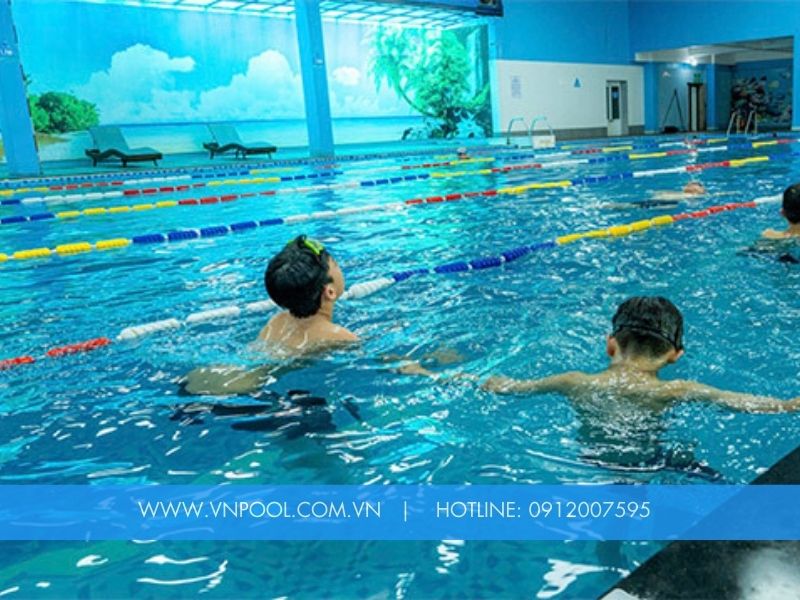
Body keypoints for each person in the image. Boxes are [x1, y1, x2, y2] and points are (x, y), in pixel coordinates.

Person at [482, 296, 800, 414]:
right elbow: (741, 402)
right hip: (649, 462)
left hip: (591, 461)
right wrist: (790, 404)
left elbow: (505, 386)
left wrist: (452, 376)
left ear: (610, 345)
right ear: (675, 355)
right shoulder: (675, 390)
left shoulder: (573, 381)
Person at [179, 235, 358, 397]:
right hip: (241, 389)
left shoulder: (278, 319)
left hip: (207, 375)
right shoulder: (338, 335)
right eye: (336, 265)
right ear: (330, 292)